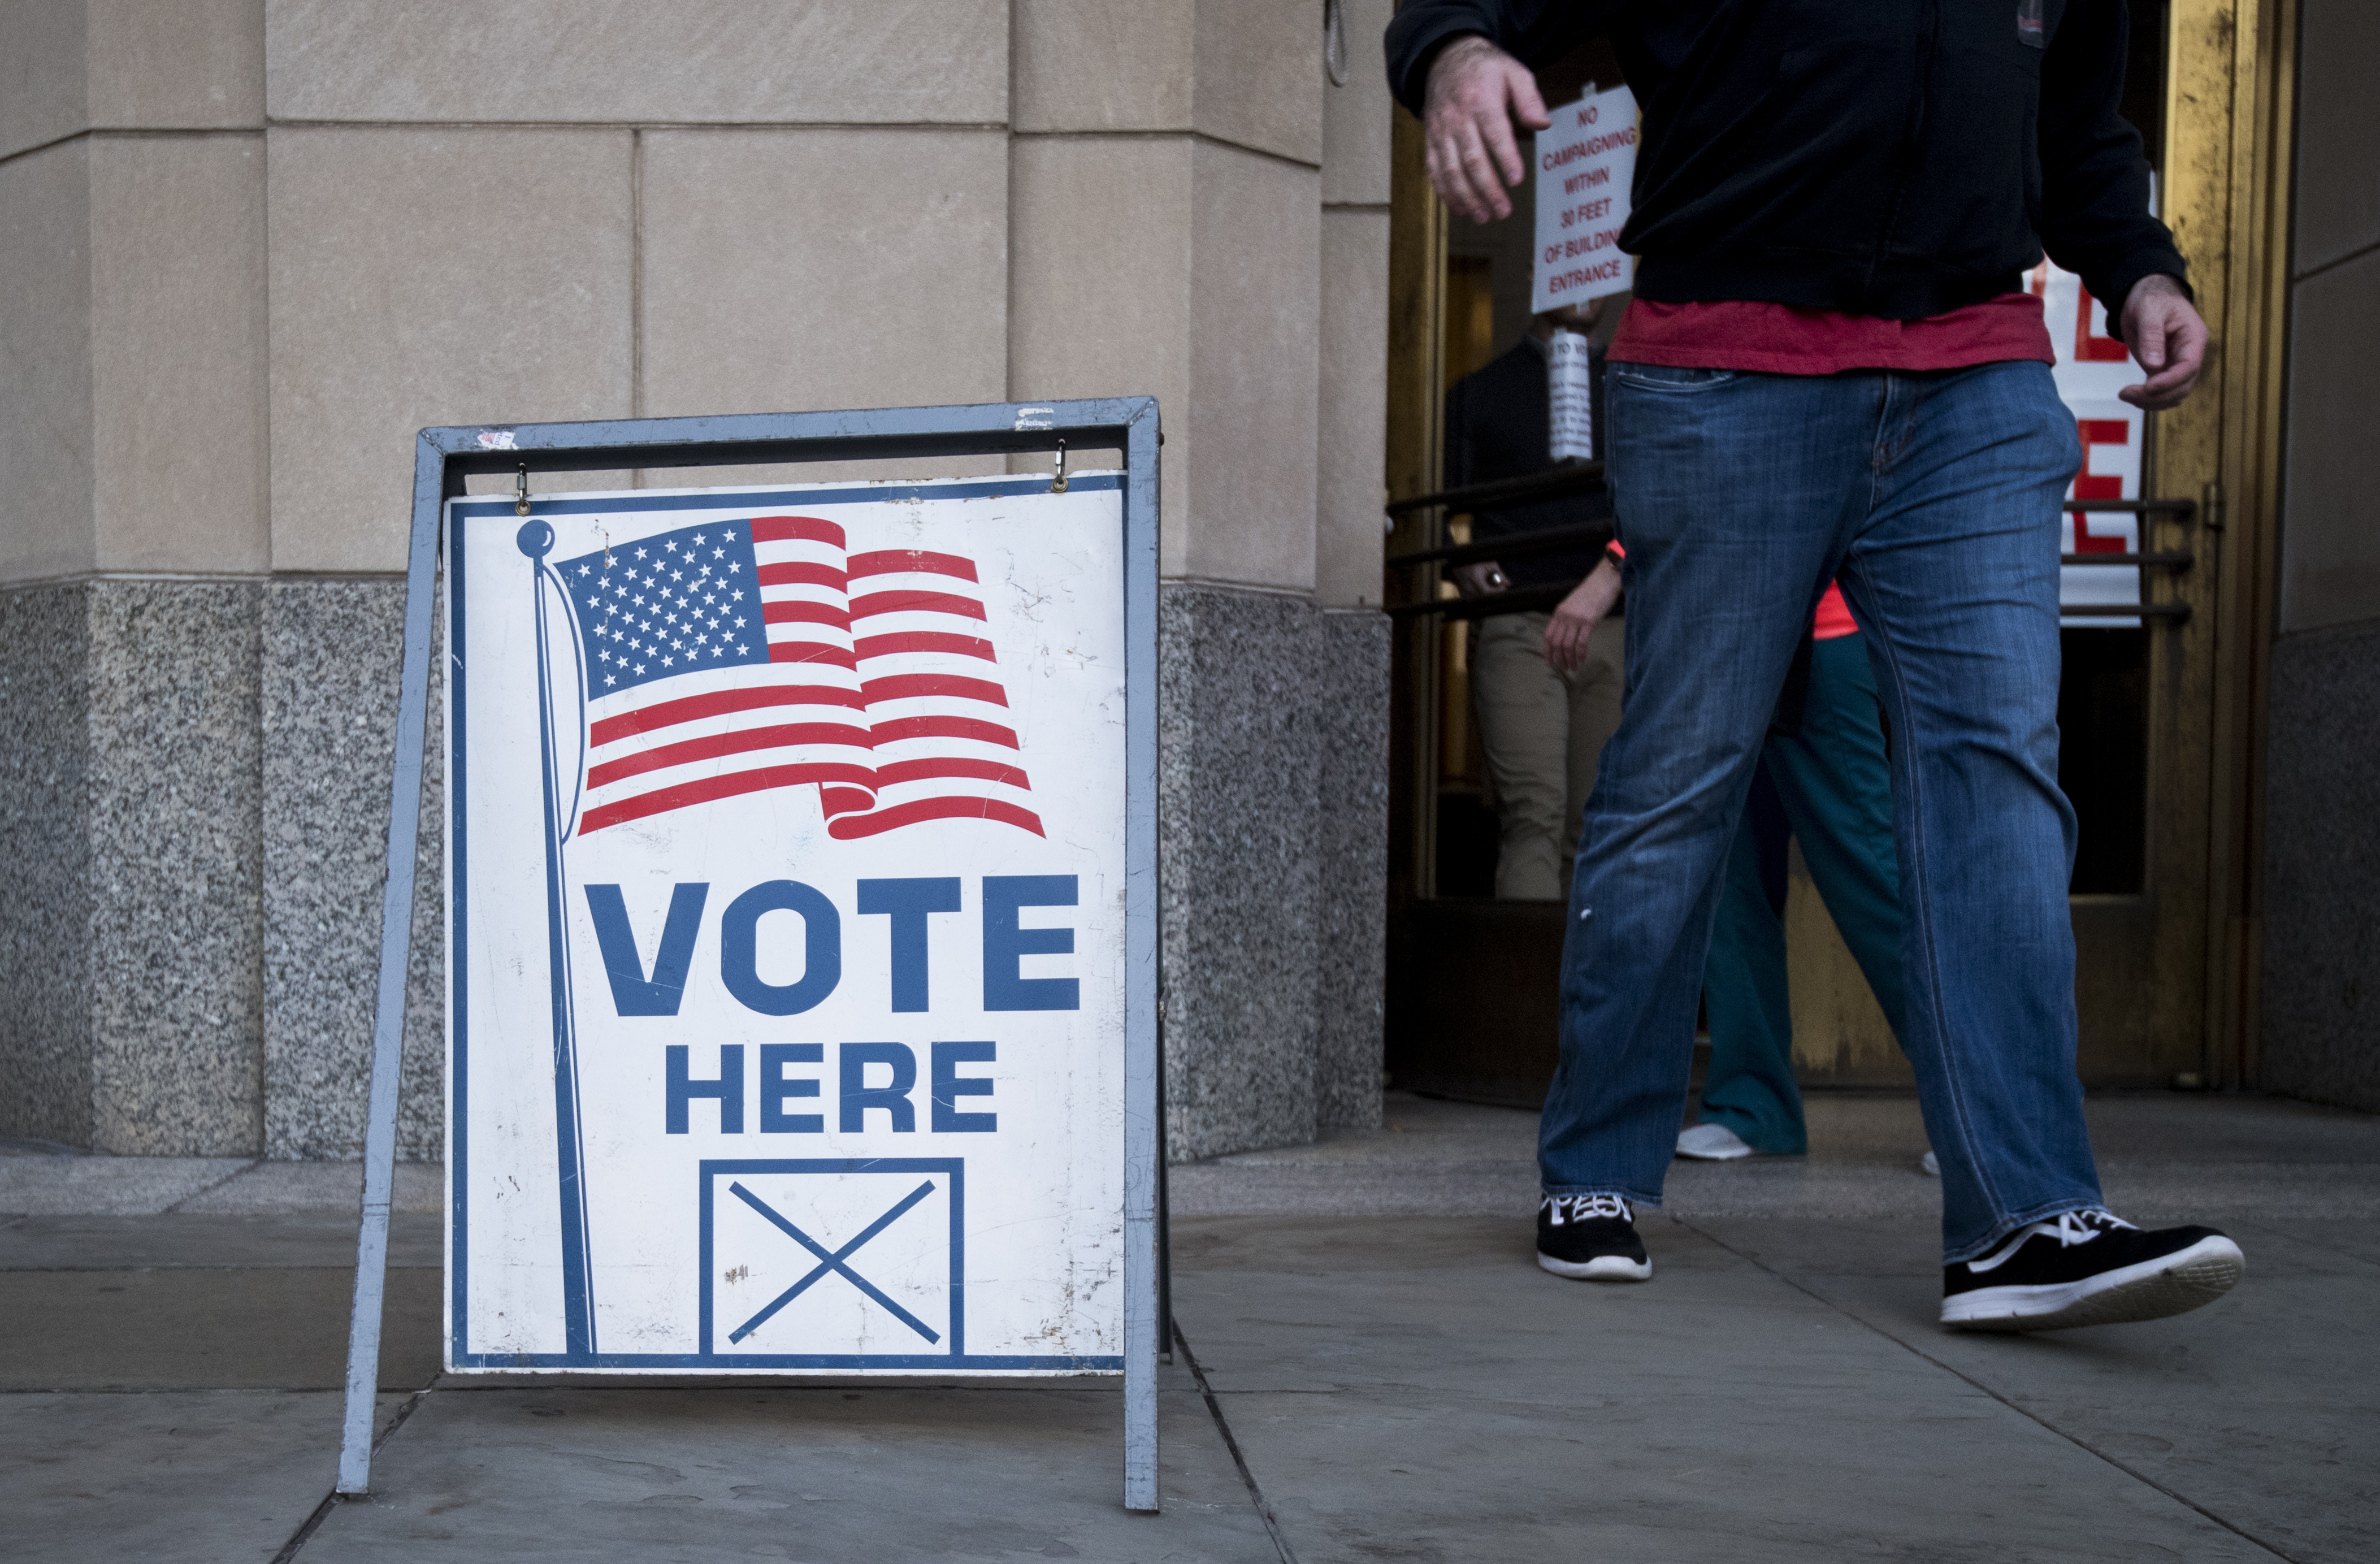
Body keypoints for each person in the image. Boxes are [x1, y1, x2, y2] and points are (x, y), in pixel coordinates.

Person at [1388, 2, 2245, 1331]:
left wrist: (2138, 269)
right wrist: (1452, 52)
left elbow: (2075, 136)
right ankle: (1595, 1166)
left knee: (1994, 779)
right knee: (1679, 780)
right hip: (1728, 367)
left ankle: (2021, 1218)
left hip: (1971, 374)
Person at [1680, 583, 1910, 1164]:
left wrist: (1613, 564)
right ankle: (1752, 1107)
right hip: (1717, 638)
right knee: (1729, 878)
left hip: (1816, 631)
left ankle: (1988, 1108)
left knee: (1871, 873)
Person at [1446, 300, 1624, 900]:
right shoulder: (1481, 391)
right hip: (1519, 625)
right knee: (1534, 817)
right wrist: (1463, 560)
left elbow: (1669, 497)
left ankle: (1583, 995)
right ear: (1536, 274)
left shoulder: (1638, 388)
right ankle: (1528, 993)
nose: (1582, 282)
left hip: (1615, 632)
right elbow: (1431, 500)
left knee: (1595, 829)